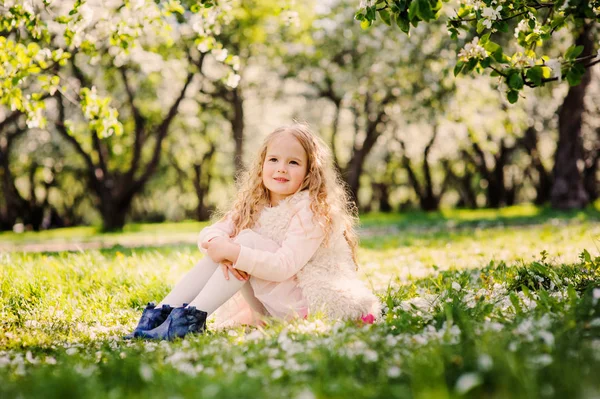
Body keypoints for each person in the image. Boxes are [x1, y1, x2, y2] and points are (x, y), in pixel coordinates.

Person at [124, 123, 380, 341]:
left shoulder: (312, 210)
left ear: (309, 172)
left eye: (293, 162)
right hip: (270, 306)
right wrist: (219, 244)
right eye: (274, 160)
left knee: (244, 243)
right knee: (231, 245)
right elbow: (210, 234)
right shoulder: (253, 203)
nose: (281, 168)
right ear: (262, 165)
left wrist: (235, 251)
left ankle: (188, 321)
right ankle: (160, 314)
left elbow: (284, 266)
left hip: (308, 304)